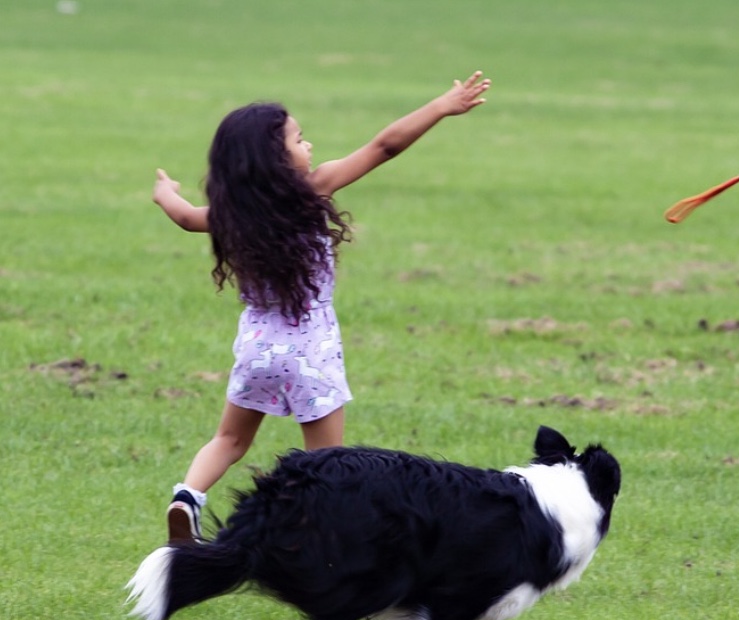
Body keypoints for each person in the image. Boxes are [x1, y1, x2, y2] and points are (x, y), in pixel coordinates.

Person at [152, 71, 491, 544]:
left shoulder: (230, 214)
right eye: (299, 138)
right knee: (326, 465)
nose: (309, 146)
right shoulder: (313, 191)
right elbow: (384, 146)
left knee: (229, 441)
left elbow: (186, 216)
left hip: (257, 350)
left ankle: (187, 496)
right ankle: (316, 541)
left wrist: (164, 191)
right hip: (311, 352)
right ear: (276, 157)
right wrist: (441, 106)